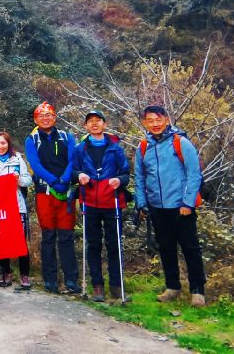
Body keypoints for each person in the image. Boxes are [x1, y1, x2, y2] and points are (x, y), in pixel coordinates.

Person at [134, 105, 206, 307]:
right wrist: (142, 203)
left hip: (181, 206)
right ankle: (172, 287)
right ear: (144, 123)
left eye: (158, 119)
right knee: (166, 248)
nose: (155, 124)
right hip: (157, 206)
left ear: (166, 119)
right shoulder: (143, 147)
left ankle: (197, 291)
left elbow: (194, 175)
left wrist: (188, 202)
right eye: (150, 120)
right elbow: (139, 176)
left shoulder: (181, 142)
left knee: (190, 248)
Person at [23, 102, 79, 294]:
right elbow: (35, 164)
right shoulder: (32, 139)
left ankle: (71, 279)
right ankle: (50, 279)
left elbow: (73, 160)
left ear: (55, 117)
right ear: (36, 119)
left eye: (49, 115)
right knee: (48, 235)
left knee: (66, 236)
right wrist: (53, 180)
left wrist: (64, 179)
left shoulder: (66, 137)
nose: (46, 118)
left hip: (66, 191)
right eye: (41, 116)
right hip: (44, 191)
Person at [73, 110, 130, 301]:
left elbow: (125, 174)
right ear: (86, 126)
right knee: (93, 244)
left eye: (98, 121)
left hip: (112, 200)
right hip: (89, 200)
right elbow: (74, 170)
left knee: (114, 244)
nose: (95, 124)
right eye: (91, 121)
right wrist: (79, 175)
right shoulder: (80, 149)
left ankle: (116, 286)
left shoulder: (116, 148)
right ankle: (97, 286)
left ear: (105, 124)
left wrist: (119, 181)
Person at [0, 131, 33, 290]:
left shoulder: (17, 160)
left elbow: (28, 180)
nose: (0, 146)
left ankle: (24, 275)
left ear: (8, 144)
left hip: (17, 206)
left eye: (3, 143)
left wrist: (18, 180)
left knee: (21, 242)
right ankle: (6, 273)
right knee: (2, 241)